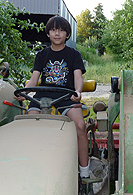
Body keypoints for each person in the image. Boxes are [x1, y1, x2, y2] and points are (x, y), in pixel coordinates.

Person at [15, 15, 90, 184]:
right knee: (27, 123)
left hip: (66, 96)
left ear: (67, 35)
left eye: (62, 30)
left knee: (80, 125)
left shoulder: (74, 55)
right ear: (48, 33)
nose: (57, 33)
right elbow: (34, 79)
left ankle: (84, 171)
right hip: (43, 95)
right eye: (54, 30)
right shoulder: (42, 55)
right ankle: (27, 164)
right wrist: (25, 91)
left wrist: (77, 91)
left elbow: (78, 77)